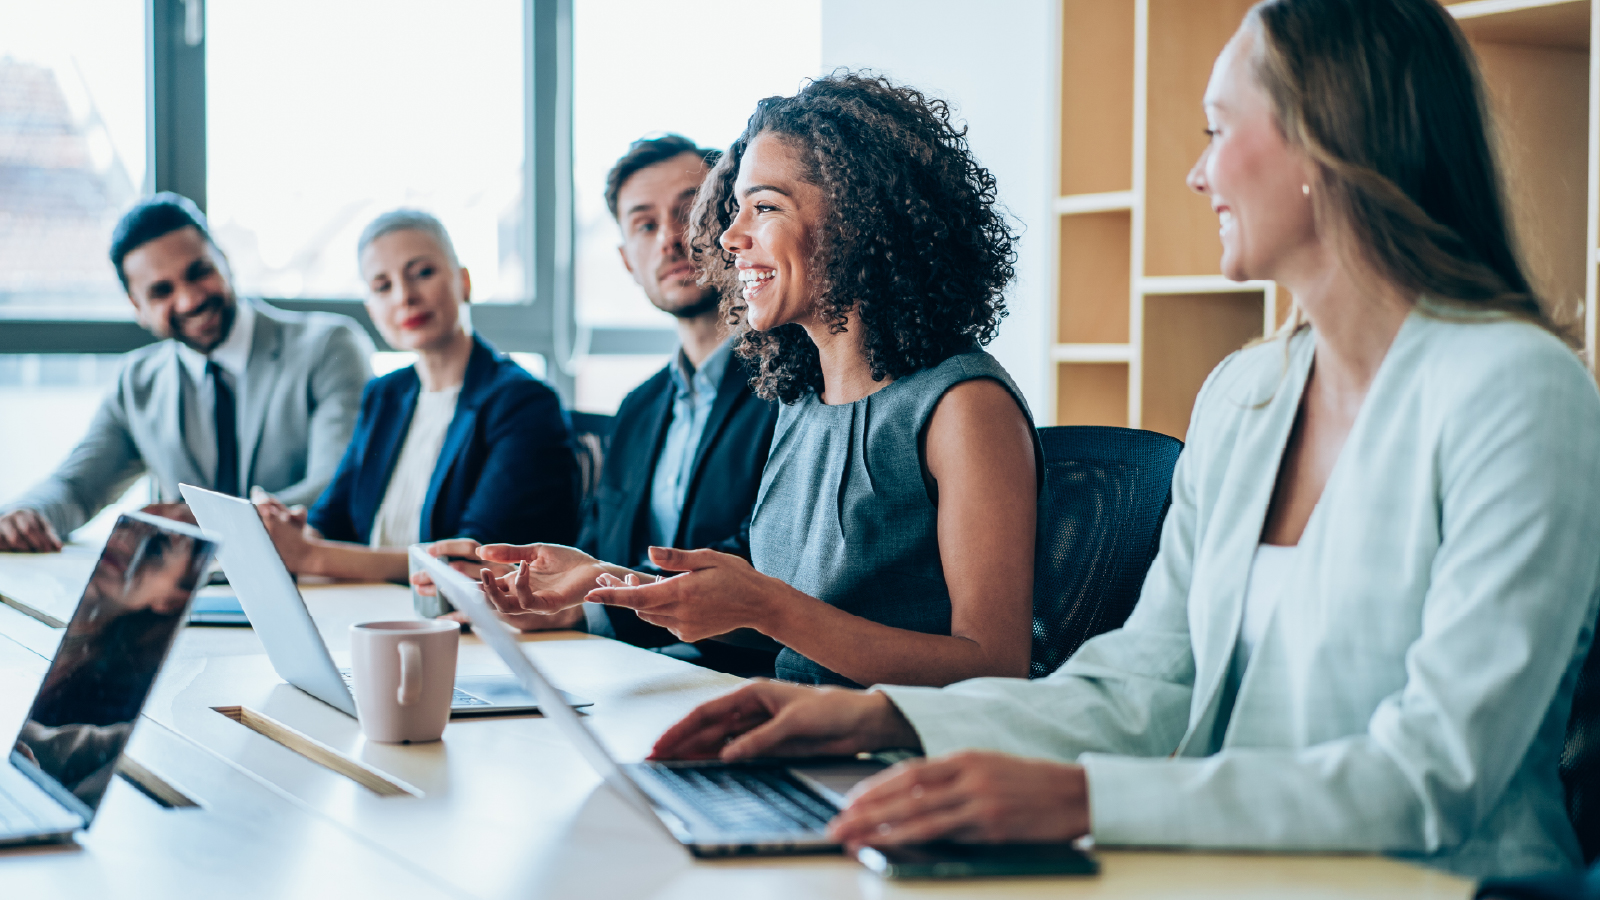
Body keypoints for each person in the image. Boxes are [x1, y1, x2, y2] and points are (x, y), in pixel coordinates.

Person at [646, 0, 1600, 881]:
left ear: (1329, 143)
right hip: (1233, 870)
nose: (1196, 172)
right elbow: (1143, 687)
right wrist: (877, 714)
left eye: (1218, 132)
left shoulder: (1515, 391)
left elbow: (1438, 773)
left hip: (1447, 884)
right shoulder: (1248, 395)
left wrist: (1084, 797)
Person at [473, 76, 1043, 689]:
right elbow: (775, 626)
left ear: (859, 217)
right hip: (792, 725)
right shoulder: (801, 400)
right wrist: (604, 580)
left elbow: (994, 666)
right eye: (736, 207)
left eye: (764, 207)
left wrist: (769, 607)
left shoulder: (964, 407)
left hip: (889, 763)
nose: (727, 237)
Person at [417, 135, 781, 674]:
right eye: (644, 225)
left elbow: (768, 553)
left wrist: (595, 604)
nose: (669, 240)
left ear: (728, 226)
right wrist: (547, 597)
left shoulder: (789, 384)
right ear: (626, 261)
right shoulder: (639, 407)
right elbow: (597, 549)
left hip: (736, 673)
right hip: (629, 666)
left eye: (689, 213)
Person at [0, 193, 372, 550]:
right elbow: (76, 489)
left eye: (199, 272)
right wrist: (25, 516)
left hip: (317, 586)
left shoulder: (328, 347)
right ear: (137, 307)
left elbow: (337, 486)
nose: (190, 299)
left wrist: (205, 521)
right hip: (187, 598)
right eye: (162, 291)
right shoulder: (137, 382)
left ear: (225, 261)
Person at [253, 210, 579, 582]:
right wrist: (290, 533)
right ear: (371, 309)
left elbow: (471, 562)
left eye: (422, 273)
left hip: (467, 623)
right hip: (370, 609)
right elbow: (331, 519)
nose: (405, 297)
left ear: (464, 282)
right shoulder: (385, 394)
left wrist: (310, 557)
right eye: (382, 286)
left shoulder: (524, 402)